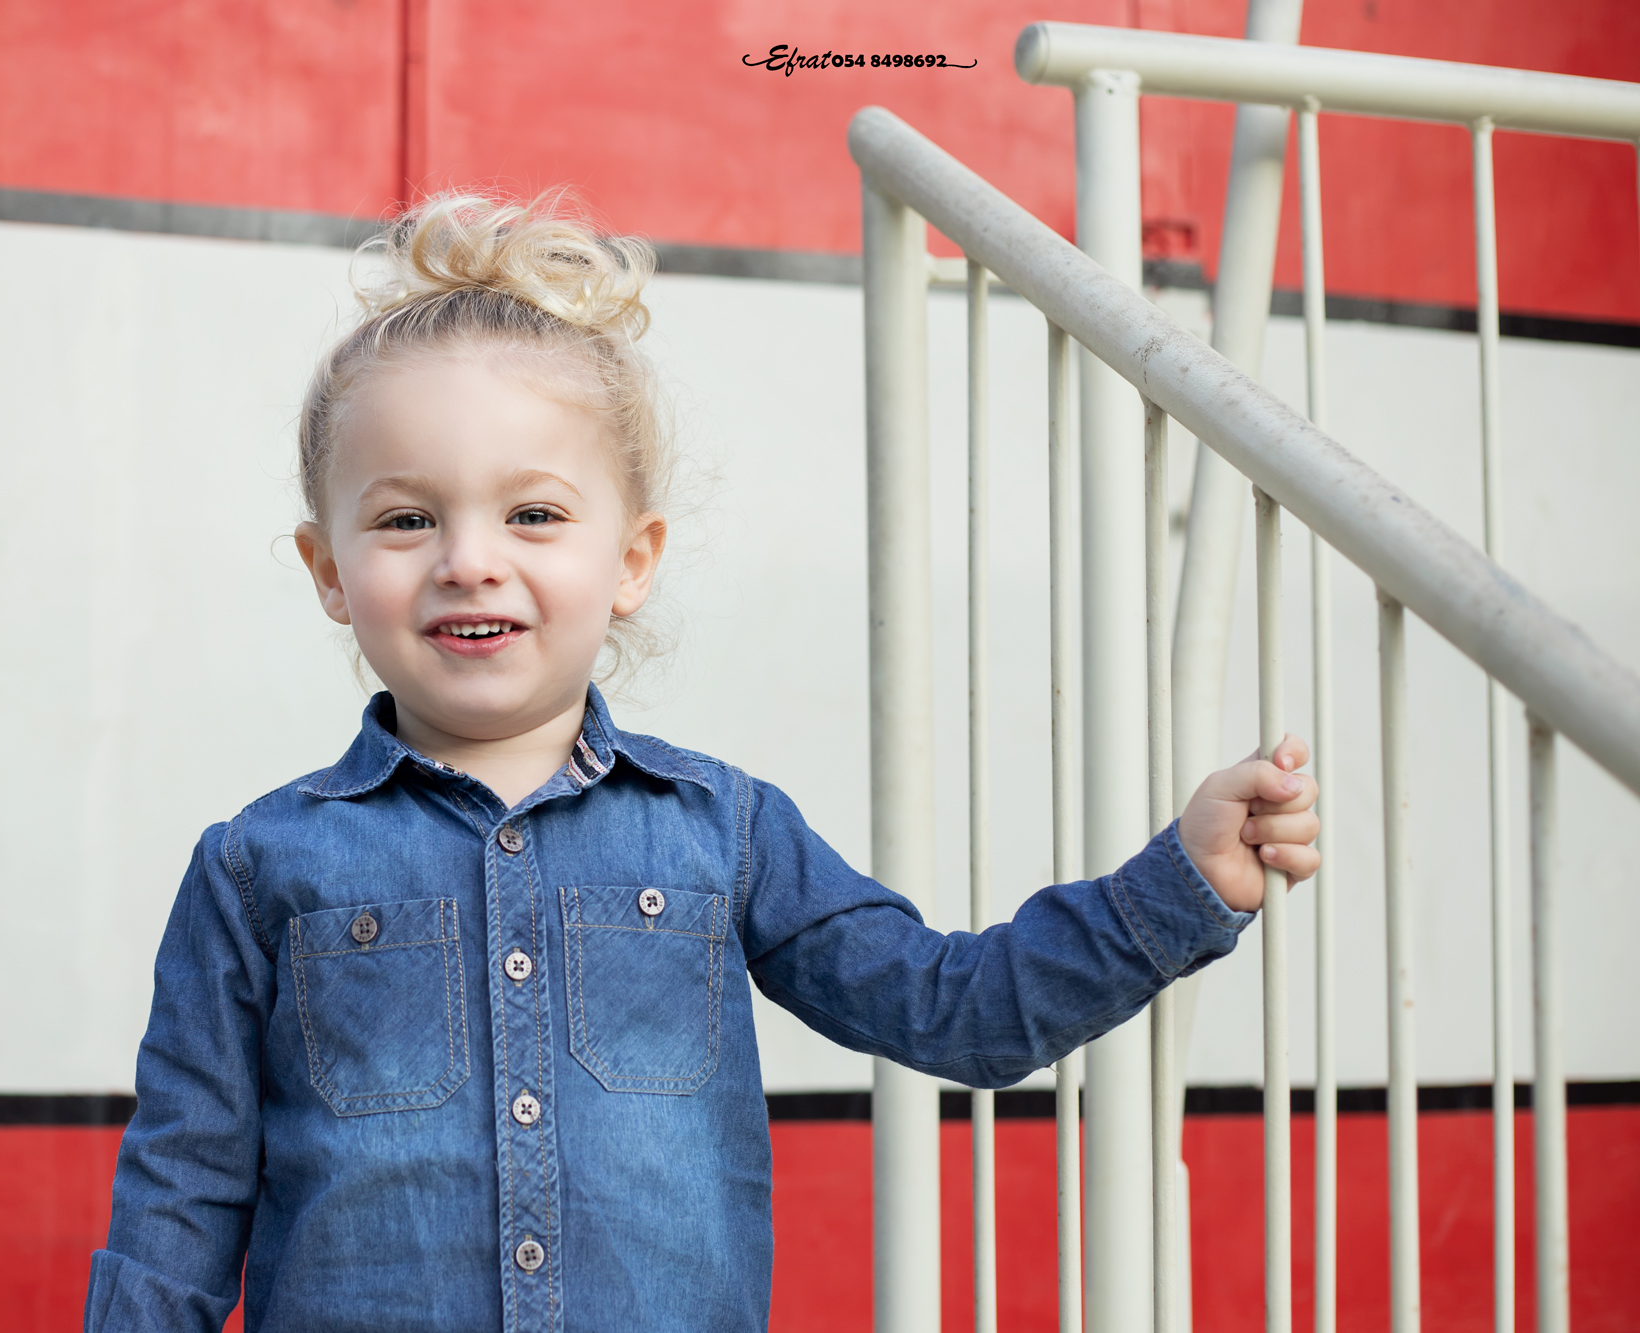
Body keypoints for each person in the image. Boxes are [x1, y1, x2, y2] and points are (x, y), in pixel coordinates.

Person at [84, 194, 1320, 1333]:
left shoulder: (722, 832)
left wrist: (1178, 885)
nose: (468, 559)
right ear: (328, 572)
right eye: (406, 518)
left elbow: (955, 1011)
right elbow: (177, 1202)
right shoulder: (255, 869)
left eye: (532, 514)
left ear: (630, 560)